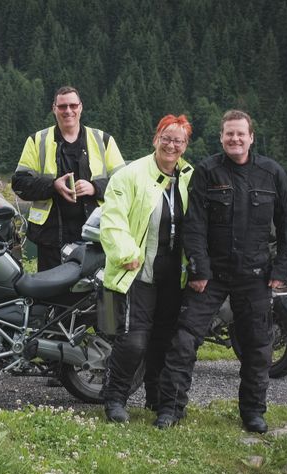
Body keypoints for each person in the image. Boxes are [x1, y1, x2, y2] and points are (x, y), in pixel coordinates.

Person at [153, 109, 287, 433]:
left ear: (251, 137)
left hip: (256, 275)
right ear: (221, 137)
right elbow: (193, 226)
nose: (235, 139)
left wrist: (281, 268)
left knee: (258, 347)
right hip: (211, 276)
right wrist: (199, 269)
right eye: (229, 134)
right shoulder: (207, 171)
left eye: (240, 134)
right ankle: (171, 409)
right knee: (183, 340)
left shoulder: (272, 173)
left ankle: (253, 413)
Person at [99, 115, 195, 423]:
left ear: (185, 145)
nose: (171, 145)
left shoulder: (189, 177)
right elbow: (112, 219)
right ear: (155, 139)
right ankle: (114, 398)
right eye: (166, 138)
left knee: (164, 340)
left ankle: (155, 398)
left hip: (173, 275)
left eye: (178, 140)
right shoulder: (130, 175)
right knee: (133, 341)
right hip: (136, 272)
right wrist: (126, 253)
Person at [12, 86, 125, 271]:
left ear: (81, 107)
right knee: (52, 295)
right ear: (54, 108)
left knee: (90, 296)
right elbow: (19, 184)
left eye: (73, 105)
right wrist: (53, 185)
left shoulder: (103, 140)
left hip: (95, 236)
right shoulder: (37, 140)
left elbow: (125, 184)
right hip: (50, 238)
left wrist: (95, 187)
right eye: (63, 106)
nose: (68, 111)